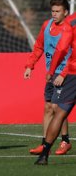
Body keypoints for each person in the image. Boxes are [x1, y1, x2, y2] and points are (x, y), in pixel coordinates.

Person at [24, 0, 72, 156]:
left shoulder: (69, 29)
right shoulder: (47, 25)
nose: (54, 14)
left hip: (66, 73)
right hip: (51, 73)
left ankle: (65, 141)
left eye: (58, 11)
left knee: (58, 108)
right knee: (47, 107)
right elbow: (38, 46)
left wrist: (64, 74)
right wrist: (30, 66)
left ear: (66, 12)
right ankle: (45, 144)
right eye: (53, 11)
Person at [35, 12, 76, 165]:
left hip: (72, 74)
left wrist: (52, 71)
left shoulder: (70, 22)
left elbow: (61, 49)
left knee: (59, 114)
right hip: (71, 72)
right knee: (56, 111)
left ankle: (44, 154)